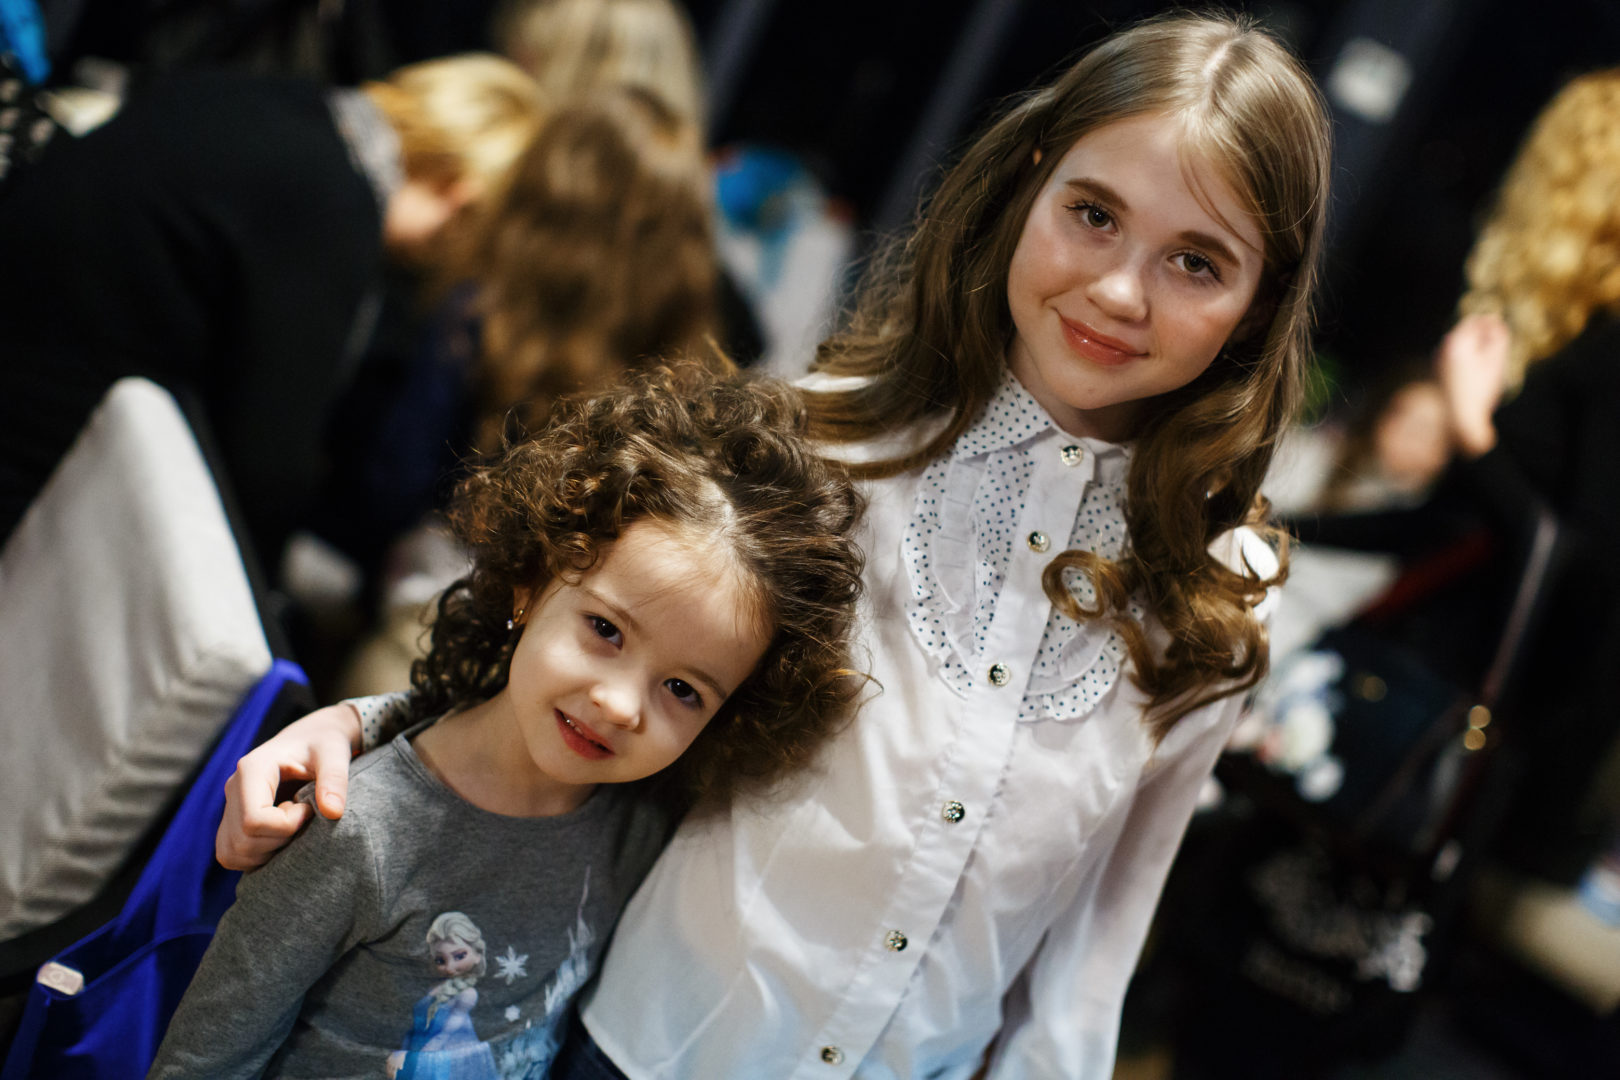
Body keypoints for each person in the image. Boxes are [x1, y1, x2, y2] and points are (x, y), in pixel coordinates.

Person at [216, 12, 1332, 1077]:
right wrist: (362, 731)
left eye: (1198, 262)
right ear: (1028, 181)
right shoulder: (823, 442)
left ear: (1261, 301)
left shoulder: (1222, 599)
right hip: (646, 1051)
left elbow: (1090, 955)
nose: (1120, 289)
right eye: (1093, 213)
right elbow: (588, 654)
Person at [149, 363, 866, 1078]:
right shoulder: (356, 832)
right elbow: (203, 1062)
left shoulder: (640, 822)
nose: (621, 705)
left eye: (682, 689)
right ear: (531, 581)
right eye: (606, 630)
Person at [0, 53, 543, 564]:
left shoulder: (275, 99)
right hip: (35, 464)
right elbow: (266, 467)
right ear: (459, 197)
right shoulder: (330, 203)